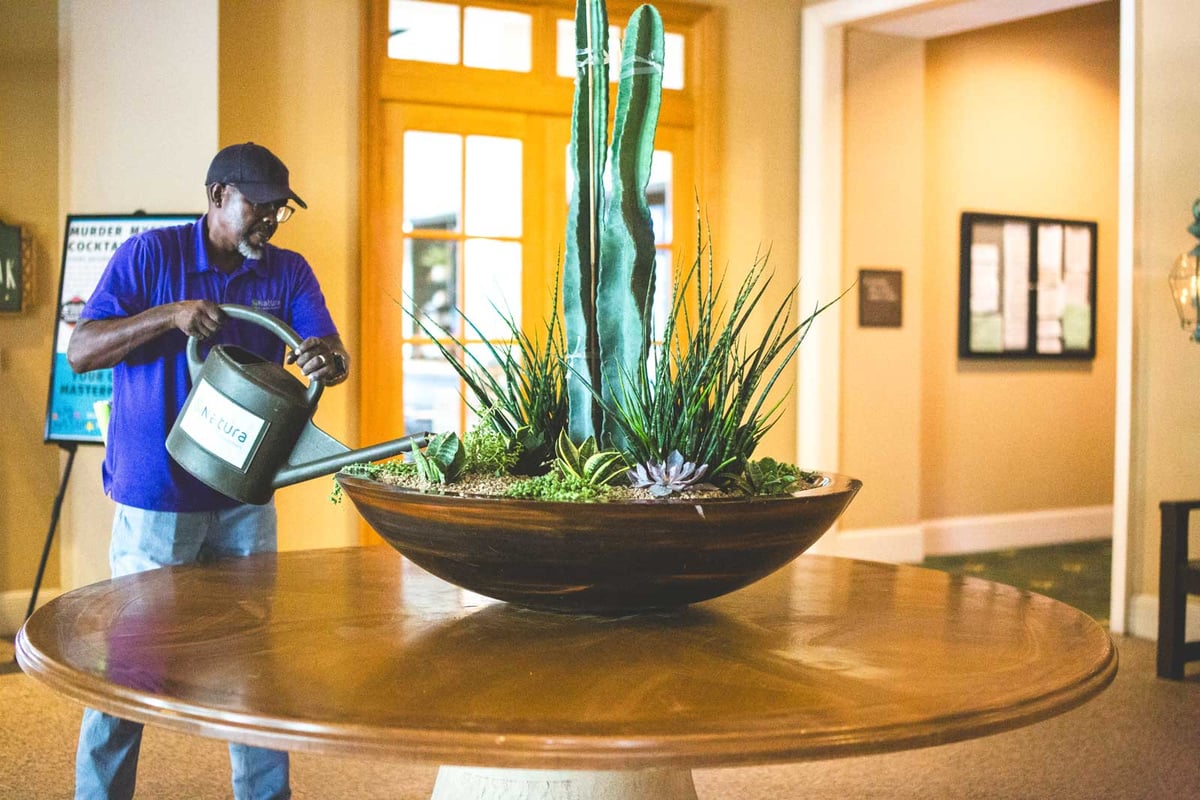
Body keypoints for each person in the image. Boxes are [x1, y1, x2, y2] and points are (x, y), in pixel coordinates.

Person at [66, 142, 350, 800]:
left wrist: (325, 361)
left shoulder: (289, 271)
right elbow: (81, 350)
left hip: (246, 496)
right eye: (259, 206)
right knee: (128, 668)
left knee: (253, 662)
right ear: (218, 196)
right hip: (158, 497)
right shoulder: (150, 257)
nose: (270, 222)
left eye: (280, 211)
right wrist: (170, 315)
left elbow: (327, 346)